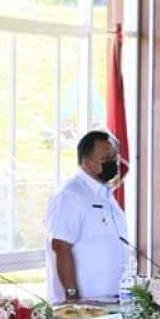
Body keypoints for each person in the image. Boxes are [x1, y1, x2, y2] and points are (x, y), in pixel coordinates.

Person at [45, 130, 128, 304]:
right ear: (87, 163)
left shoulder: (105, 193)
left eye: (115, 156)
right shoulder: (71, 195)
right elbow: (60, 246)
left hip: (113, 300)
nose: (114, 162)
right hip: (83, 304)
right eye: (106, 158)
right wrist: (72, 296)